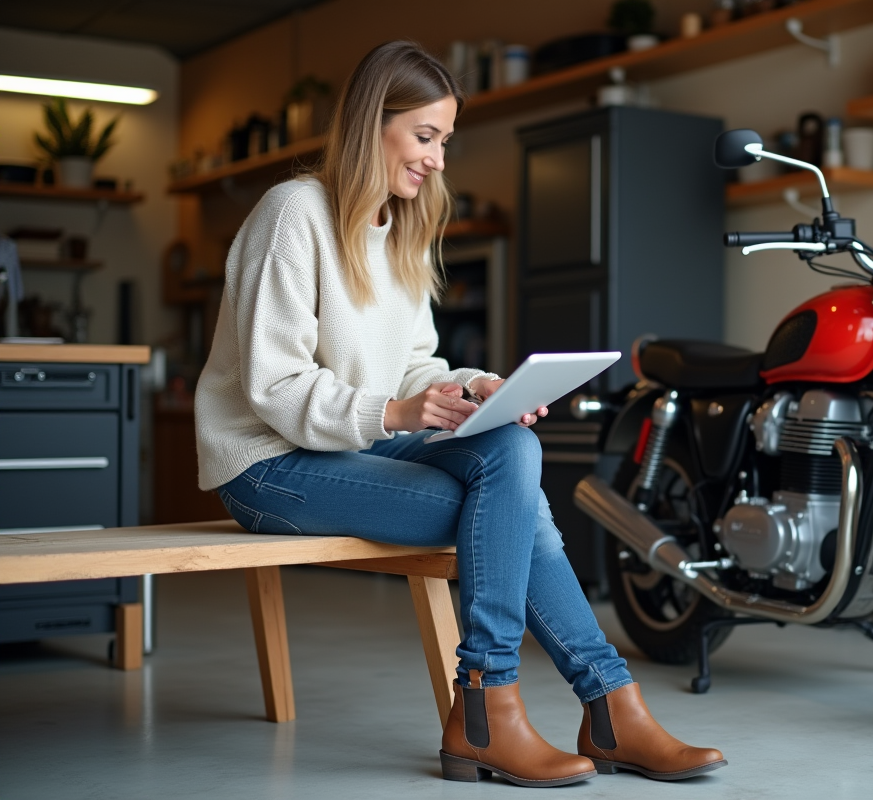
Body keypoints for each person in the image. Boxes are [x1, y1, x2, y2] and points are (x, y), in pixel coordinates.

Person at [195, 41, 726, 787]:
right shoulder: (293, 215)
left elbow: (417, 365)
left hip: (361, 443)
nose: (439, 160)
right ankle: (551, 710)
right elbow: (274, 387)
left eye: (445, 140)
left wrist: (475, 388)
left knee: (508, 452)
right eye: (425, 137)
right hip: (269, 464)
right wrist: (398, 410)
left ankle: (539, 713)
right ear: (369, 125)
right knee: (510, 509)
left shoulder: (401, 228)